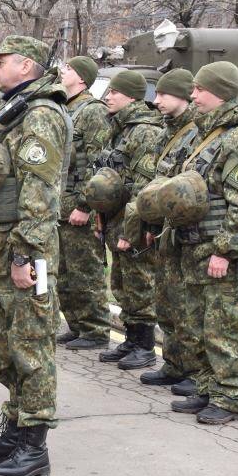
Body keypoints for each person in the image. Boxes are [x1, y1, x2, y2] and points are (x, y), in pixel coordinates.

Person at [0, 36, 69, 476]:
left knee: (31, 346)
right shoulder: (11, 111)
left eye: (1, 62)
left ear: (26, 65)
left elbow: (39, 192)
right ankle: (17, 423)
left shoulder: (40, 115)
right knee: (6, 345)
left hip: (22, 248)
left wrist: (25, 253)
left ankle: (35, 443)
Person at [171, 61, 238, 424]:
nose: (193, 95)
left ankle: (230, 397)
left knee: (225, 329)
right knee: (200, 326)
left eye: (199, 89)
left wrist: (226, 251)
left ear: (220, 92)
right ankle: (207, 387)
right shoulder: (211, 133)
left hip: (226, 255)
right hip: (199, 248)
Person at [126, 69, 201, 389]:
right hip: (165, 227)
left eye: (163, 95)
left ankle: (195, 369)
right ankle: (174, 362)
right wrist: (148, 222)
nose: (155, 101)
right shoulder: (169, 129)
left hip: (188, 228)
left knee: (189, 304)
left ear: (183, 96)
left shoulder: (196, 131)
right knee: (167, 300)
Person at [95, 70, 164, 370]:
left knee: (139, 283)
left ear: (133, 96)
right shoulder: (121, 127)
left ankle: (145, 345)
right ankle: (132, 340)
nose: (108, 96)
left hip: (131, 222)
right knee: (122, 283)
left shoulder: (145, 131)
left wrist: (130, 229)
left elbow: (143, 185)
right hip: (116, 218)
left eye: (115, 91)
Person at [55, 56, 113, 351]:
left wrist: (85, 205)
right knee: (65, 272)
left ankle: (95, 328)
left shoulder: (92, 112)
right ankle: (77, 324)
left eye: (67, 69)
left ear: (80, 78)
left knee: (85, 271)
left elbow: (97, 164)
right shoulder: (66, 109)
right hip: (61, 207)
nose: (61, 73)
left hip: (79, 208)